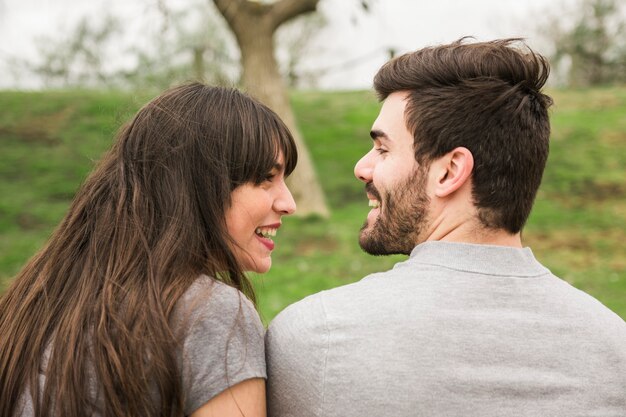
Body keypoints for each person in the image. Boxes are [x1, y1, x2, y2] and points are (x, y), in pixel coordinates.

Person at [265, 39, 626, 417]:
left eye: (383, 150)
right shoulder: (613, 345)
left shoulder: (316, 337)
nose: (362, 167)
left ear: (450, 172)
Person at [0, 82, 297, 417]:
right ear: (199, 186)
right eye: (265, 178)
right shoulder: (209, 314)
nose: (289, 203)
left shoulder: (36, 304)